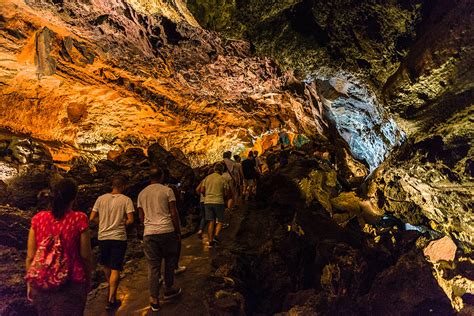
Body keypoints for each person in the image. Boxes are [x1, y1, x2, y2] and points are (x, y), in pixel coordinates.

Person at [26, 178, 92, 316]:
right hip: (72, 284)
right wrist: (88, 280)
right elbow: (85, 256)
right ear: (74, 197)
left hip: (42, 284)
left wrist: (30, 284)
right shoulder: (79, 219)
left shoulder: (38, 219)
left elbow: (30, 257)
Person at [138, 168, 182, 312]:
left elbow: (141, 217)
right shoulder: (167, 191)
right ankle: (168, 289)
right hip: (167, 230)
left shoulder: (142, 194)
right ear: (162, 176)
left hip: (149, 233)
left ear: (150, 177)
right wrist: (177, 230)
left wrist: (148, 226)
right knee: (170, 261)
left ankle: (154, 299)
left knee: (153, 267)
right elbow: (173, 212)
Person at [89, 176, 135, 310]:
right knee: (115, 268)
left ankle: (111, 286)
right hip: (118, 237)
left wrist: (102, 224)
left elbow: (91, 218)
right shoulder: (126, 200)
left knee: (105, 265)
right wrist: (122, 224)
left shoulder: (100, 199)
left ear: (112, 186)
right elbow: (131, 220)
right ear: (123, 186)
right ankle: (111, 299)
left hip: (103, 236)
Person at [200, 163, 229, 247]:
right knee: (220, 221)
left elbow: (202, 190)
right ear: (222, 170)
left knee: (211, 221)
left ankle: (210, 240)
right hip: (219, 201)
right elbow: (226, 193)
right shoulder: (222, 179)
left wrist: (207, 195)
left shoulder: (207, 178)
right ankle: (216, 236)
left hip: (207, 202)